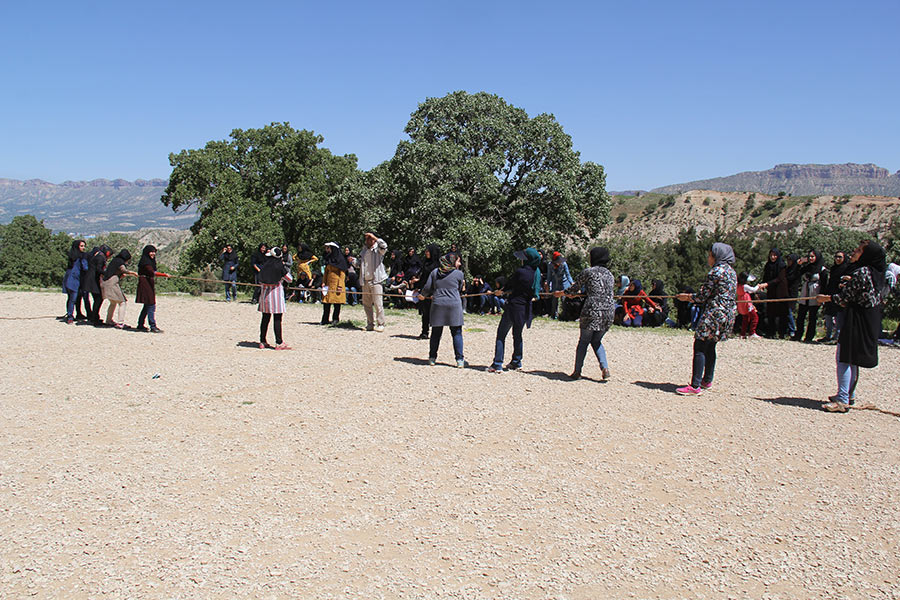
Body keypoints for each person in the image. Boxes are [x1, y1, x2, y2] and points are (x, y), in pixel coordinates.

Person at [818, 240, 886, 412]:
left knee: (845, 357)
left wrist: (825, 298)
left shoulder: (862, 272)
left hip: (857, 320)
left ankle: (842, 399)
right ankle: (849, 394)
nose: (854, 252)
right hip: (868, 319)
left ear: (868, 254)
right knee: (853, 357)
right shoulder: (876, 273)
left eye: (859, 250)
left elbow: (843, 299)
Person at [675, 243, 737, 395]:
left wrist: (687, 297)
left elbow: (702, 296)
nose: (708, 258)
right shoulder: (731, 272)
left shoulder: (716, 272)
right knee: (711, 345)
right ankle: (707, 380)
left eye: (710, 255)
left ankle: (695, 385)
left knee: (700, 345)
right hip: (727, 314)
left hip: (714, 313)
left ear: (717, 256)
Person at [557, 247, 615, 381]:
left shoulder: (589, 272)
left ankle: (577, 371)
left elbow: (574, 288)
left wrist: (563, 293)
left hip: (592, 310)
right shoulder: (610, 275)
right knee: (596, 340)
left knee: (583, 341)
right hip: (609, 311)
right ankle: (604, 368)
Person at [488, 248, 541, 373]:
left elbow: (510, 285)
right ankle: (517, 362)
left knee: (501, 335)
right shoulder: (536, 273)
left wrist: (500, 291)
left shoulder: (520, 272)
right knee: (517, 335)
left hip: (513, 307)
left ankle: (497, 364)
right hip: (525, 308)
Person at [419, 252, 466, 367]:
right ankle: (459, 360)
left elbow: (427, 287)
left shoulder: (435, 272)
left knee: (436, 333)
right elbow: (460, 288)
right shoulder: (459, 274)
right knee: (457, 333)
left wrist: (422, 295)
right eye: (458, 261)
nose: (459, 263)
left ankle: (432, 358)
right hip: (454, 305)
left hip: (438, 304)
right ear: (452, 262)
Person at [257, 246, 292, 349]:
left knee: (265, 319)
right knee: (277, 319)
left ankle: (262, 341)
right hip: (276, 296)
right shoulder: (279, 267)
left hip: (265, 296)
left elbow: (259, 279)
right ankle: (279, 342)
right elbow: (289, 279)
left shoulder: (264, 267)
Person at [793, 249, 828, 343]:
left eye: (813, 256)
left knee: (812, 317)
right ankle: (798, 334)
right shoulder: (807, 267)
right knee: (801, 316)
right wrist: (798, 264)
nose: (811, 258)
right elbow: (796, 274)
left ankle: (809, 336)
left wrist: (822, 297)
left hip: (815, 293)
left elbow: (824, 284)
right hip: (805, 292)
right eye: (809, 257)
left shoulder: (822, 270)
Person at [135, 245, 170, 333]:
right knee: (151, 304)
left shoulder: (150, 261)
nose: (153, 254)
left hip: (148, 283)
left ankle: (140, 324)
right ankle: (153, 326)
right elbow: (151, 272)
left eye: (154, 252)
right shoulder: (145, 262)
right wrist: (164, 275)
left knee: (147, 305)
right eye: (151, 252)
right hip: (145, 284)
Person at [100, 249, 137, 328]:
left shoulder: (115, 260)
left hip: (106, 283)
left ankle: (108, 320)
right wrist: (133, 273)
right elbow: (123, 270)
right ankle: (120, 322)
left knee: (113, 303)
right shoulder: (120, 262)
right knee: (122, 302)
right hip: (112, 284)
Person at [359, 232, 388, 332]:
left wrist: (375, 237)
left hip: (376, 280)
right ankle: (370, 324)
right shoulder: (363, 251)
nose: (367, 241)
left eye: (369, 239)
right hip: (365, 280)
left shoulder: (378, 250)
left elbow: (384, 246)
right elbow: (360, 264)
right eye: (366, 239)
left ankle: (381, 324)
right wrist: (353, 261)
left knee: (378, 303)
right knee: (366, 304)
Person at [818, 250, 848, 343]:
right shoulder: (833, 268)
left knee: (838, 316)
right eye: (836, 257)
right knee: (828, 315)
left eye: (840, 257)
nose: (837, 259)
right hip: (830, 294)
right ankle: (828, 335)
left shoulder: (846, 268)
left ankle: (837, 337)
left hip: (840, 295)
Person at [762, 248, 789, 338]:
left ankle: (782, 333)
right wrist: (763, 284)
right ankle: (771, 332)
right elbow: (766, 276)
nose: (773, 257)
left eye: (775, 255)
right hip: (771, 291)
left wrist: (767, 284)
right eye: (771, 255)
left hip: (780, 291)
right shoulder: (768, 265)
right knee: (770, 312)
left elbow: (779, 278)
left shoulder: (782, 266)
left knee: (782, 313)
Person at [417, 244, 441, 338]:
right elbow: (423, 277)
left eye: (428, 251)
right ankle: (424, 332)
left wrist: (435, 292)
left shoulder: (438, 265)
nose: (426, 252)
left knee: (435, 313)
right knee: (425, 312)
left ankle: (435, 334)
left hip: (434, 291)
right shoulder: (425, 263)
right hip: (425, 291)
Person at [321, 242, 348, 324]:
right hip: (329, 284)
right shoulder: (329, 258)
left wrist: (340, 285)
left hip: (337, 284)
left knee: (337, 303)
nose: (328, 250)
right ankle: (325, 319)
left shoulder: (340, 260)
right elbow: (326, 272)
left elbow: (342, 274)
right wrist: (324, 282)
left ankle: (335, 319)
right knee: (326, 302)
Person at [83, 245, 111, 325]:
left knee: (97, 299)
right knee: (98, 299)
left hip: (91, 279)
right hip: (93, 280)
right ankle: (94, 318)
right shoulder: (100, 258)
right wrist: (106, 273)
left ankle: (94, 317)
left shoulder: (99, 256)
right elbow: (98, 269)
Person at [62, 240, 88, 324]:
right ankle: (70, 316)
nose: (83, 248)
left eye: (84, 246)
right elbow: (85, 268)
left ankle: (75, 314)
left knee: (73, 298)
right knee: (73, 298)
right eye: (81, 246)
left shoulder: (73, 256)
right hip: (74, 279)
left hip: (72, 278)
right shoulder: (80, 257)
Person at [547, 251, 574, 319]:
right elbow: (549, 276)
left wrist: (572, 283)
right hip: (555, 283)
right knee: (554, 300)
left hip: (564, 283)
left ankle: (564, 315)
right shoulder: (550, 265)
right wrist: (547, 284)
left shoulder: (564, 264)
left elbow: (568, 275)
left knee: (564, 300)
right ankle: (553, 315)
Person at [736, 272, 763, 339]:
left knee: (745, 318)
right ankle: (752, 333)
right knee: (755, 317)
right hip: (746, 303)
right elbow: (753, 290)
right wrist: (758, 286)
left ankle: (743, 333)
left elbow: (749, 291)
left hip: (741, 302)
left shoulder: (738, 286)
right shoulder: (744, 286)